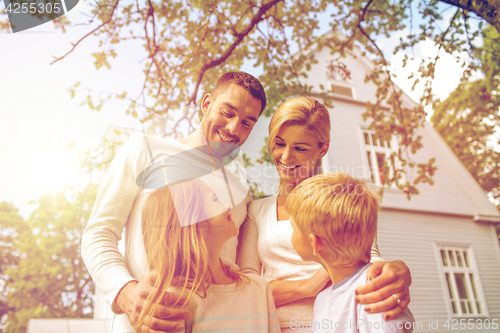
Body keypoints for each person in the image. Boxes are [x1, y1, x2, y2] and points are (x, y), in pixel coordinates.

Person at [82, 72, 267, 332]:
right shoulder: (146, 150)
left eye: (247, 123)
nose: (234, 128)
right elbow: (98, 233)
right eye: (227, 112)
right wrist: (127, 293)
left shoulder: (240, 194)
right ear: (206, 104)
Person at [238, 97, 412, 332]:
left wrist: (397, 271)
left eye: (300, 148)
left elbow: (367, 257)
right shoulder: (257, 211)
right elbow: (246, 289)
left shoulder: (339, 201)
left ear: (323, 148)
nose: (286, 156)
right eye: (279, 143)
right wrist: (307, 286)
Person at [137, 178, 280, 332]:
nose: (228, 206)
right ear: (192, 220)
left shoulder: (259, 289)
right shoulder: (168, 299)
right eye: (216, 200)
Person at [286, 173, 415, 333]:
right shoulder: (323, 299)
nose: (290, 234)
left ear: (315, 242)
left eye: (293, 228)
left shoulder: (374, 290)